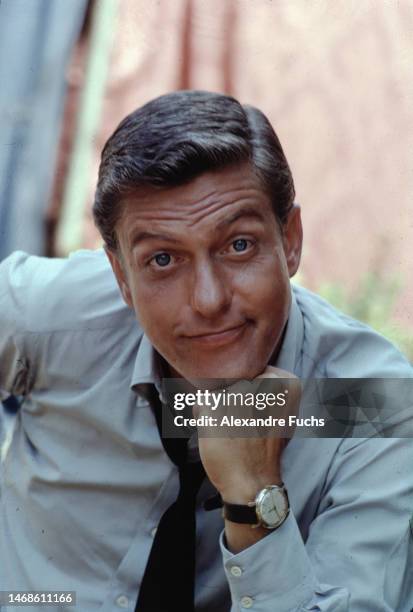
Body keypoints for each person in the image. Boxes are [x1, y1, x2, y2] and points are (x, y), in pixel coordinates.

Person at [0, 90, 412, 612]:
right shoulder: (58, 318)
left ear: (290, 240)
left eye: (238, 245)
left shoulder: (363, 402)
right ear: (121, 275)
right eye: (164, 260)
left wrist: (254, 499)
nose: (209, 299)